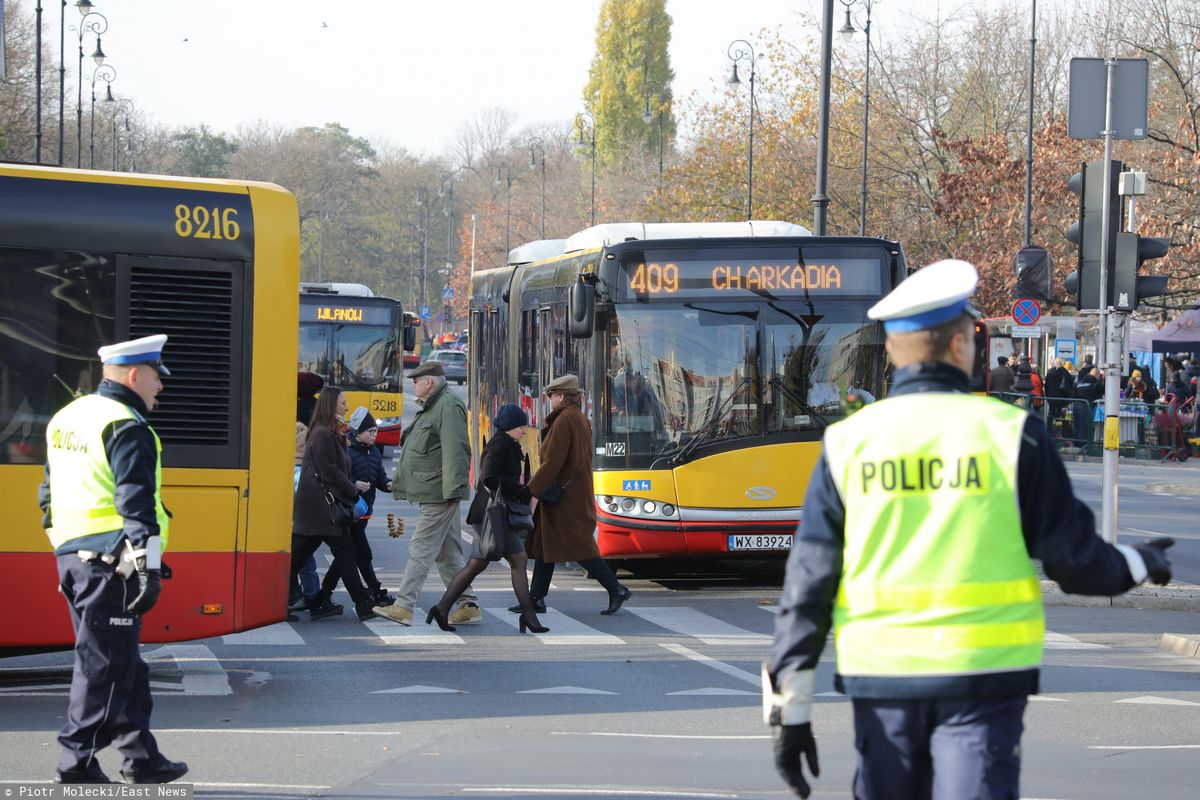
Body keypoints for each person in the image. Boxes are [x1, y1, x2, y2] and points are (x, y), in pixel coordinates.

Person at [763, 259, 1174, 800]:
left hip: (882, 680)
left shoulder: (848, 445)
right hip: (984, 679)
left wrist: (789, 711)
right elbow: (1074, 564)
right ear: (963, 347)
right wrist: (1141, 562)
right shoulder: (1012, 436)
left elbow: (808, 585)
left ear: (892, 351)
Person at [38, 334, 188, 785]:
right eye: (157, 378)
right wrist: (147, 564)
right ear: (134, 375)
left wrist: (60, 541)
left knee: (123, 663)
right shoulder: (127, 425)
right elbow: (137, 502)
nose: (160, 387)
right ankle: (75, 761)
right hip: (112, 563)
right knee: (103, 665)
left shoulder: (69, 416)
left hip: (73, 558)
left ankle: (142, 759)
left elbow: (48, 492)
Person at [426, 404, 548, 634]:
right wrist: (520, 490)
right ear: (510, 427)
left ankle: (528, 616)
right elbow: (488, 477)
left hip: (498, 514)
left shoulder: (510, 444)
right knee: (485, 564)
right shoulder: (498, 445)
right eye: (521, 426)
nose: (524, 430)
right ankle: (442, 608)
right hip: (489, 514)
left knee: (512, 560)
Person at [292, 387, 408, 624]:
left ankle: (331, 601)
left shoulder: (329, 431)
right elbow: (331, 472)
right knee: (333, 554)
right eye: (343, 402)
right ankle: (358, 602)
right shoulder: (324, 433)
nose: (346, 406)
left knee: (320, 555)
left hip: (322, 507)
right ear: (331, 405)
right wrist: (354, 493)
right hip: (321, 507)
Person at [520, 374, 633, 615]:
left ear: (561, 396)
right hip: (566, 494)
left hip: (564, 497)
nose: (550, 400)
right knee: (545, 545)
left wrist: (530, 490)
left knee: (578, 546)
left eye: (552, 396)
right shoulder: (575, 418)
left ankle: (616, 589)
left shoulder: (565, 420)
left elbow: (552, 463)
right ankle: (535, 599)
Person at [390, 361, 480, 626]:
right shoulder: (434, 405)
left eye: (416, 380)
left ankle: (404, 605)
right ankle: (467, 603)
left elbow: (456, 450)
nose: (414, 385)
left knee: (421, 547)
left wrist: (452, 491)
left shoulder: (448, 405)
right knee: (448, 551)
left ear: (429, 382)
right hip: (436, 490)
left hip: (440, 493)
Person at [315, 406, 395, 608]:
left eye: (376, 432)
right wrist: (355, 485)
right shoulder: (346, 451)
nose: (375, 435)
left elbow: (380, 479)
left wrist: (390, 485)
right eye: (371, 432)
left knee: (346, 556)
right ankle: (375, 592)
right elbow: (337, 478)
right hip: (348, 512)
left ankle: (323, 595)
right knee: (362, 554)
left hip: (364, 512)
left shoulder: (375, 452)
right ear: (358, 433)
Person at [290, 372, 324, 613]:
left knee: (296, 543)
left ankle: (302, 593)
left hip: (296, 476)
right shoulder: (320, 411)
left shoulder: (293, 410)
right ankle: (312, 592)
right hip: (315, 480)